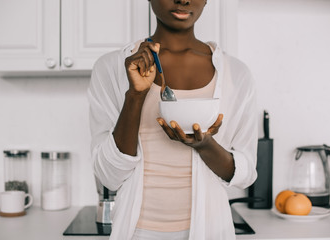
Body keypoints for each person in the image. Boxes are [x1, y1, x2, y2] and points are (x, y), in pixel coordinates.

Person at [88, 0, 257, 239]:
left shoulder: (236, 74)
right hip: (137, 231)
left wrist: (205, 145)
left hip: (209, 229)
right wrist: (135, 95)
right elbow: (109, 176)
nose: (184, 0)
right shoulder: (112, 68)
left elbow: (246, 173)